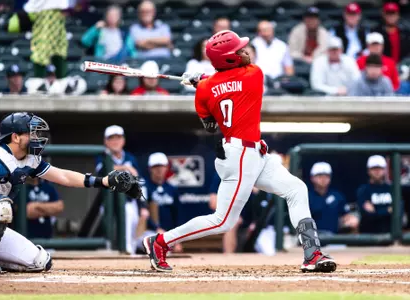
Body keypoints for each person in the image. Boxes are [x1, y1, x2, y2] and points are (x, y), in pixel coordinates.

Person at [143, 30, 336, 273]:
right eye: (238, 50)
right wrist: (205, 79)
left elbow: (212, 125)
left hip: (249, 151)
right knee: (223, 221)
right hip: (241, 156)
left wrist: (203, 83)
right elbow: (232, 84)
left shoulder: (204, 90)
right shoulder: (254, 74)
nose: (244, 51)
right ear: (227, 57)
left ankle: (312, 254)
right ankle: (160, 242)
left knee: (296, 189)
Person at [0, 112, 141, 274]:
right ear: (15, 137)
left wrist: (103, 181)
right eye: (31, 133)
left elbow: (63, 176)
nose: (37, 137)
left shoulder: (29, 159)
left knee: (40, 261)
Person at [95, 125, 148, 254]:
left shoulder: (130, 157)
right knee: (113, 238)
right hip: (110, 203)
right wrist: (125, 168)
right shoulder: (102, 156)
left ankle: (130, 255)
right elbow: (102, 172)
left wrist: (143, 206)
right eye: (111, 138)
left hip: (130, 201)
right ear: (105, 141)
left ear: (123, 140)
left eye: (118, 138)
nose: (115, 141)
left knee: (134, 233)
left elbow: (138, 181)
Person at [139, 152, 182, 253]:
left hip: (168, 234)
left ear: (167, 167)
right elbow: (142, 211)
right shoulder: (144, 186)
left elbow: (177, 215)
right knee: (155, 245)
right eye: (155, 166)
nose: (159, 169)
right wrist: (156, 228)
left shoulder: (172, 189)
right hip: (148, 232)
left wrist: (178, 238)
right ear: (150, 168)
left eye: (161, 166)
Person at [308, 162, 358, 234]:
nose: (323, 179)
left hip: (334, 239)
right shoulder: (307, 197)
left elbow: (345, 215)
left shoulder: (337, 196)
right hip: (313, 239)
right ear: (312, 178)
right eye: (319, 176)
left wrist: (350, 219)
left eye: (326, 176)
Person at [357, 155, 395, 233]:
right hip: (369, 236)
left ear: (385, 170)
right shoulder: (363, 190)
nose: (377, 171)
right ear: (368, 171)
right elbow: (367, 215)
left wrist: (375, 211)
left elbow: (398, 212)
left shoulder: (392, 189)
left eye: (380, 168)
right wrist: (387, 210)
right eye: (374, 168)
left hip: (390, 236)